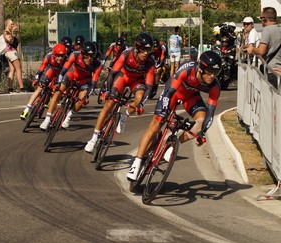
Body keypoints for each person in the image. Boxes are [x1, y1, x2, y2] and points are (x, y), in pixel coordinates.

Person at [126, 51, 222, 181]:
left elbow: (210, 113)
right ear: (201, 69)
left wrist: (202, 132)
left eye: (215, 73)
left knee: (201, 123)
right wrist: (165, 110)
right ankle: (136, 163)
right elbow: (169, 92)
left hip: (191, 96)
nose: (212, 76)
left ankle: (172, 146)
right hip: (173, 92)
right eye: (209, 72)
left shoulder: (214, 86)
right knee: (157, 123)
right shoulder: (187, 70)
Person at [84, 33, 155, 153]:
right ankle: (93, 138)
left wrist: (141, 104)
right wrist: (107, 91)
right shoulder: (127, 54)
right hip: (123, 76)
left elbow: (149, 86)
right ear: (137, 48)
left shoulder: (150, 62)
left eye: (148, 50)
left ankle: (124, 116)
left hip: (136, 81)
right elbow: (112, 73)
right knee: (109, 105)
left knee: (139, 98)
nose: (146, 53)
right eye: (143, 50)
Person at [39, 41, 102, 130]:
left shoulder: (97, 64)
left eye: (92, 56)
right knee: (58, 92)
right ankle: (47, 119)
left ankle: (68, 116)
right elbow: (63, 71)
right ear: (82, 53)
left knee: (82, 100)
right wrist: (58, 83)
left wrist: (88, 94)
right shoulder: (75, 55)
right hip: (72, 74)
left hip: (85, 80)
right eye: (87, 56)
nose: (89, 58)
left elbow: (93, 82)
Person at [20, 43, 66, 120]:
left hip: (59, 75)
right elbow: (41, 68)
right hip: (50, 71)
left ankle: (50, 104)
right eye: (57, 55)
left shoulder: (66, 61)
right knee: (40, 88)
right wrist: (37, 78)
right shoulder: (48, 56)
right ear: (54, 54)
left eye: (62, 56)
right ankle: (27, 109)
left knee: (57, 90)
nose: (60, 58)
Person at [246, 7, 281, 87]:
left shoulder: (267, 30)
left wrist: (251, 49)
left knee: (270, 98)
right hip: (279, 69)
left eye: (261, 18)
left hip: (271, 70)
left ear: (264, 19)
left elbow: (261, 51)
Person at [3, 18, 24, 93]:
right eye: (11, 24)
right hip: (11, 52)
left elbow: (16, 41)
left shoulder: (10, 32)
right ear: (7, 24)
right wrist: (12, 32)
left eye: (13, 24)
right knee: (18, 69)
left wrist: (16, 33)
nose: (13, 25)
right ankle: (21, 87)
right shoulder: (6, 32)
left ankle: (10, 88)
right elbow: (10, 41)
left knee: (12, 70)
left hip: (11, 52)